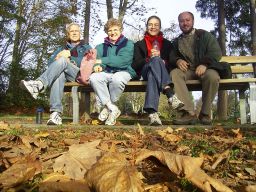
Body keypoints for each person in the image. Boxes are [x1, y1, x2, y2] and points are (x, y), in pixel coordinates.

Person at [20, 23, 93, 125]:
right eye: (72, 31)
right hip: (64, 76)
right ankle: (56, 114)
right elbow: (50, 64)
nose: (75, 33)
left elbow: (89, 63)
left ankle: (39, 84)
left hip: (78, 75)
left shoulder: (86, 47)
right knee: (58, 76)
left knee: (63, 61)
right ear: (68, 34)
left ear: (80, 33)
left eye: (77, 31)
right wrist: (57, 58)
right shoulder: (61, 49)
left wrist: (70, 57)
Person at [170, 11, 222, 125]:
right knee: (174, 73)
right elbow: (171, 56)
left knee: (213, 76)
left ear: (193, 21)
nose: (185, 23)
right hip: (187, 71)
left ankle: (205, 113)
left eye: (187, 20)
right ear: (179, 23)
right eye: (182, 21)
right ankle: (188, 113)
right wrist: (177, 60)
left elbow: (216, 52)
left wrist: (204, 64)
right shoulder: (176, 41)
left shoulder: (204, 35)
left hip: (206, 69)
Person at [132, 15, 184, 126]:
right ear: (146, 27)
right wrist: (148, 59)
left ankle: (152, 114)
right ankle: (169, 93)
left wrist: (162, 62)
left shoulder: (167, 44)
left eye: (156, 25)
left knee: (153, 74)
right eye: (150, 24)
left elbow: (171, 62)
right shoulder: (138, 45)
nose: (153, 27)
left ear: (160, 27)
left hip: (159, 74)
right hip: (143, 73)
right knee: (154, 60)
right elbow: (135, 64)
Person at [89, 18, 136, 126]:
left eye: (115, 29)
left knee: (117, 79)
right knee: (94, 78)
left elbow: (122, 61)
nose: (112, 32)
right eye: (110, 30)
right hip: (107, 72)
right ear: (106, 32)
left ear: (120, 30)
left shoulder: (129, 44)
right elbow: (97, 61)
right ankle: (112, 108)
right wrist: (98, 66)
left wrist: (103, 61)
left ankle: (106, 108)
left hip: (124, 71)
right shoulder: (100, 47)